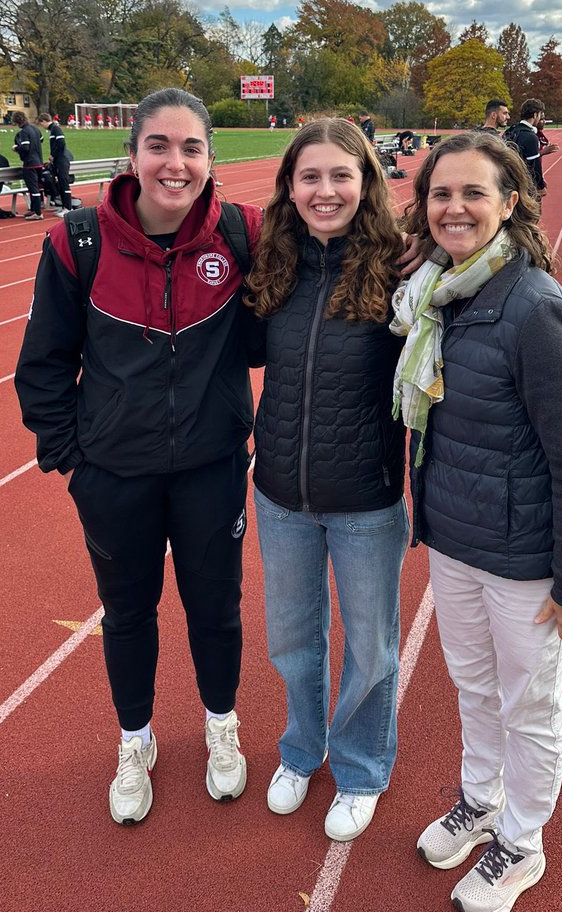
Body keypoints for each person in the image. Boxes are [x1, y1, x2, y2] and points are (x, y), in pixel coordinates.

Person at [14, 88, 263, 826]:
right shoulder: (78, 242)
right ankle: (135, 739)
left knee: (215, 608)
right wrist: (73, 460)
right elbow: (43, 364)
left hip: (212, 468)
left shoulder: (243, 234)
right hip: (113, 474)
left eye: (191, 148)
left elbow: (328, 258)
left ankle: (221, 724)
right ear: (132, 156)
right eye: (159, 146)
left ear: (210, 158)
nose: (174, 163)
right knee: (127, 613)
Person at [392, 132, 562, 912]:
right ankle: (482, 803)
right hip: (456, 543)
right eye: (440, 194)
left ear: (509, 202)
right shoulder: (439, 293)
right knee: (475, 688)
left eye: (472, 193)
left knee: (529, 705)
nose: (454, 208)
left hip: (525, 561)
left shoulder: (535, 308)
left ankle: (523, 843)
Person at [245, 119, 407, 843]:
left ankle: (362, 768)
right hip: (281, 494)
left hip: (365, 499)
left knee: (370, 649)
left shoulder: (399, 269)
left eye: (342, 175)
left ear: (366, 183)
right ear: (290, 187)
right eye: (310, 176)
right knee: (292, 641)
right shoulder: (274, 266)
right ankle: (301, 750)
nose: (325, 190)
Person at [503, 99, 546, 197]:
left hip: (507, 182)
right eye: (540, 115)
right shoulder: (530, 136)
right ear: (535, 115)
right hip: (524, 186)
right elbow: (534, 166)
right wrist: (541, 186)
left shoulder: (510, 131)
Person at [37, 111, 73, 214]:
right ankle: (64, 207)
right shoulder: (53, 129)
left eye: (41, 123)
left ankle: (68, 208)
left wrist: (53, 155)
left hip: (62, 160)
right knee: (61, 183)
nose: (41, 126)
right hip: (59, 159)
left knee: (64, 183)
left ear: (44, 121)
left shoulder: (55, 129)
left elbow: (61, 143)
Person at [11, 111, 45, 220]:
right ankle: (34, 209)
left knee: (33, 188)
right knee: (36, 187)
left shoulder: (24, 132)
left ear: (17, 122)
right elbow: (41, 139)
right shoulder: (35, 129)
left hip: (30, 163)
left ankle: (38, 213)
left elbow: (25, 147)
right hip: (39, 161)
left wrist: (16, 148)